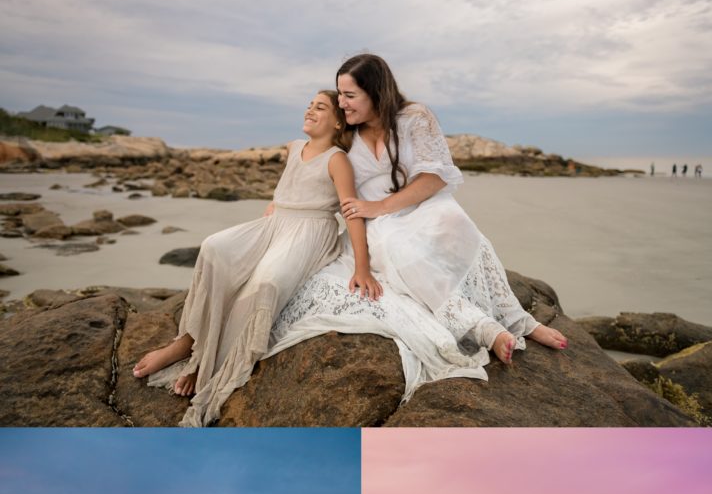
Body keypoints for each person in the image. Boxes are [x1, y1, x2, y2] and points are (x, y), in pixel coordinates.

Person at [265, 54, 568, 399]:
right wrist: (286, 202)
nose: (341, 103)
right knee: (397, 246)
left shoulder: (414, 118)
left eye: (350, 95)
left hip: (422, 205)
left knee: (457, 222)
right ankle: (483, 328)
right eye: (339, 94)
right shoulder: (346, 134)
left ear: (376, 92)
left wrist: (383, 203)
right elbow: (319, 170)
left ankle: (519, 321)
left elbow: (435, 177)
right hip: (377, 222)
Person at [133, 91, 379, 426]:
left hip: (308, 234)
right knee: (214, 248)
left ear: (338, 121)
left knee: (265, 283)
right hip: (275, 225)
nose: (310, 109)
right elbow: (288, 190)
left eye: (320, 107)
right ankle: (187, 343)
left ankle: (211, 368)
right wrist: (277, 204)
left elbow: (351, 213)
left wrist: (362, 267)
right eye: (309, 104)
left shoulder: (337, 159)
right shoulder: (294, 147)